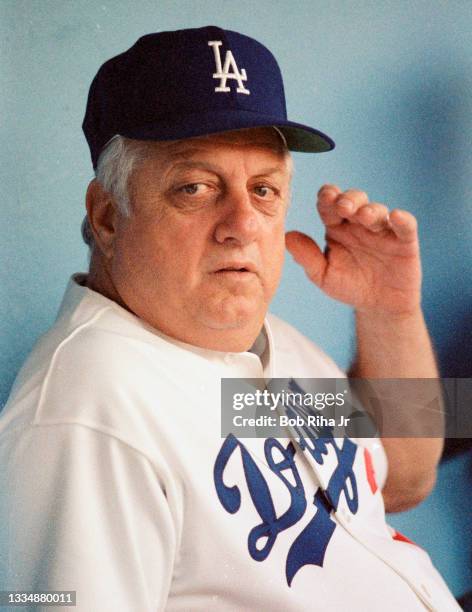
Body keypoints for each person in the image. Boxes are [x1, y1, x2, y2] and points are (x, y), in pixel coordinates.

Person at [0, 26, 460, 611]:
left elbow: (404, 479)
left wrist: (389, 312)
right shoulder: (84, 416)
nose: (241, 223)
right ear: (110, 215)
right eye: (195, 187)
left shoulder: (258, 344)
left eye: (264, 190)